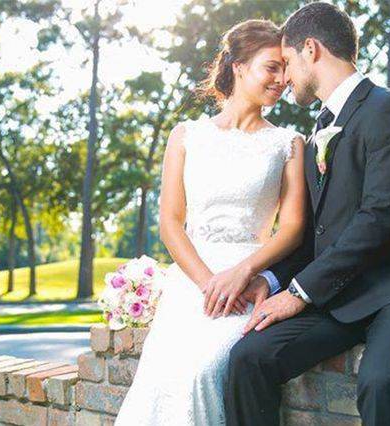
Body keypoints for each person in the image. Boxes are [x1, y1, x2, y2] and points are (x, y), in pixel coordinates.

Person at [223, 3, 390, 425]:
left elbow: (381, 218)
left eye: (287, 63)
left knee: (382, 382)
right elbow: (313, 234)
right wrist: (267, 280)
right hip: (339, 297)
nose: (284, 79)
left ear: (311, 50)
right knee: (248, 359)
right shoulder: (316, 130)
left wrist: (298, 293)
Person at [115, 19, 305, 426]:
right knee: (163, 375)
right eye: (271, 67)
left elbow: (292, 228)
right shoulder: (186, 135)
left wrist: (242, 274)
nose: (282, 80)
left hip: (248, 283)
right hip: (191, 284)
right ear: (238, 66)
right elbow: (170, 222)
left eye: (285, 70)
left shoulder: (288, 143)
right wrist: (208, 283)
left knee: (205, 371)